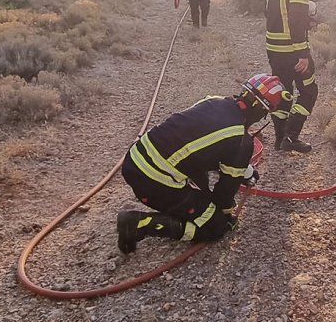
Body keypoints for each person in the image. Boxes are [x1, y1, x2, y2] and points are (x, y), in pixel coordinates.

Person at [116, 74, 290, 253]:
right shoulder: (241, 141)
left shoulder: (214, 100)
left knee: (202, 197)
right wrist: (222, 214)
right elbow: (225, 193)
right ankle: (138, 224)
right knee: (215, 227)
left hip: (136, 157)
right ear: (261, 111)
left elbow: (207, 144)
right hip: (152, 181)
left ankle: (188, 205)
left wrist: (244, 170)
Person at [265, 0, 320, 153]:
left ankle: (279, 140)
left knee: (284, 91)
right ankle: (291, 137)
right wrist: (303, 53)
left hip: (273, 47)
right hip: (292, 49)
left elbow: (271, 12)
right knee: (309, 91)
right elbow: (296, 17)